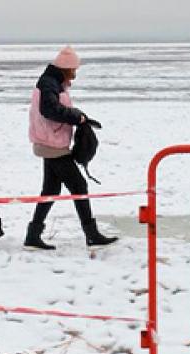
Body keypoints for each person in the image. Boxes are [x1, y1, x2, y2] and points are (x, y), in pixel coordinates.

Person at [24, 45, 118, 250]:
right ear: (65, 68)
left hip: (51, 142)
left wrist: (79, 116)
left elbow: (56, 108)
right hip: (53, 144)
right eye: (73, 70)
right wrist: (75, 116)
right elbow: (50, 110)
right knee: (79, 186)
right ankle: (91, 234)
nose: (75, 75)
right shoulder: (49, 84)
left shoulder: (52, 82)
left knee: (51, 190)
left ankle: (33, 235)